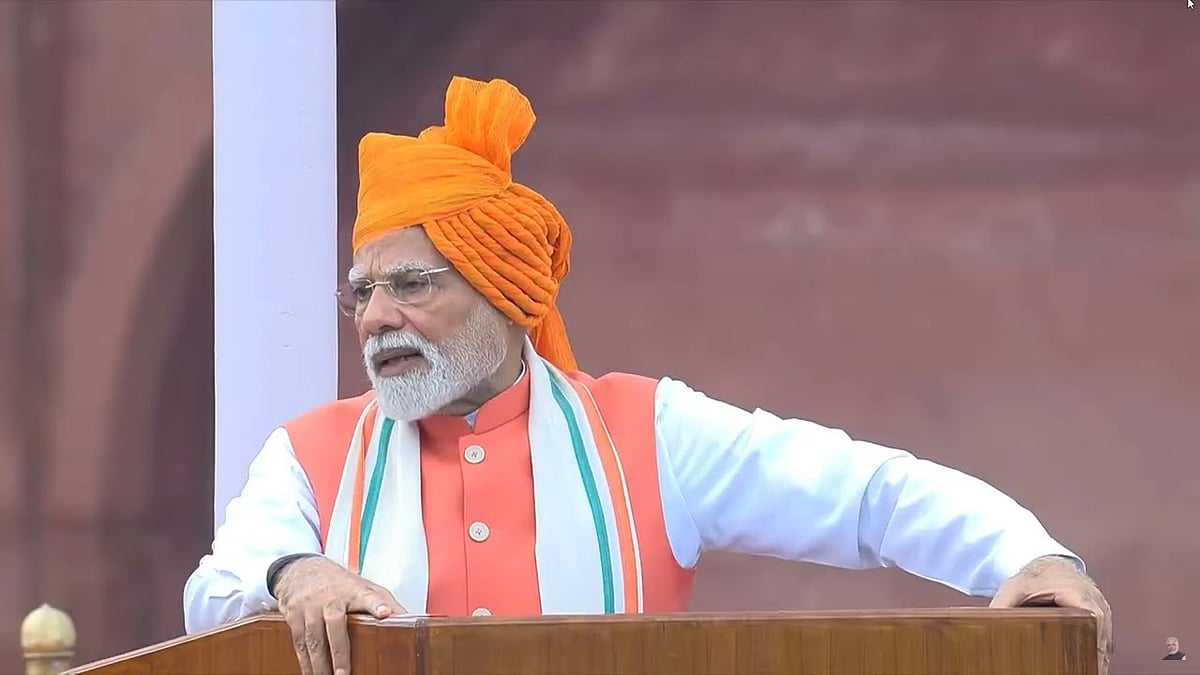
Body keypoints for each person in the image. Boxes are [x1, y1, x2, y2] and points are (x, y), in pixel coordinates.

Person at [184, 76, 1112, 675]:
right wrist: (296, 571)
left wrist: (1025, 556)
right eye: (362, 293)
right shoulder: (310, 454)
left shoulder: (646, 433)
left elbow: (870, 495)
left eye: (410, 285)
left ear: (506, 288)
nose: (377, 317)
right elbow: (217, 593)